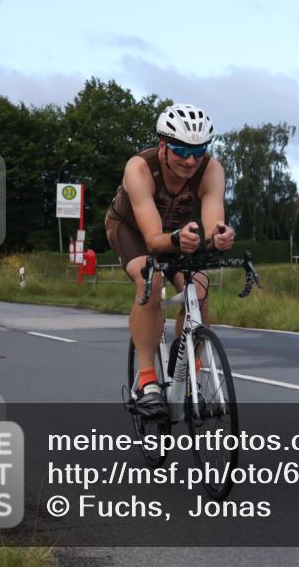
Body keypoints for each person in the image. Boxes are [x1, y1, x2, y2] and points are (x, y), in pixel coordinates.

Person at [104, 103, 235, 419]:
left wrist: (218, 236)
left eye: (199, 151)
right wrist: (176, 240)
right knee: (151, 279)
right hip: (131, 230)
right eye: (180, 150)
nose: (190, 160)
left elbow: (213, 222)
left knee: (200, 286)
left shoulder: (211, 170)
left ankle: (189, 360)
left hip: (178, 234)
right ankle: (148, 380)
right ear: (163, 145)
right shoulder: (139, 169)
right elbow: (152, 240)